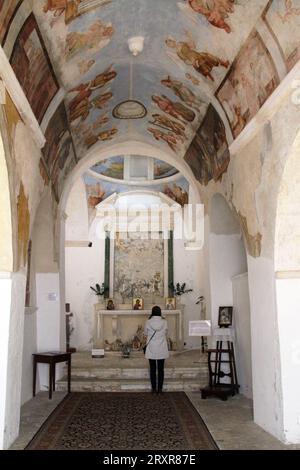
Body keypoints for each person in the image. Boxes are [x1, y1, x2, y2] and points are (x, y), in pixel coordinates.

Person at [144, 306, 169, 394]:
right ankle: (160, 389)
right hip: (161, 347)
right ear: (160, 312)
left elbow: (145, 333)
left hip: (151, 347)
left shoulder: (148, 322)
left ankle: (154, 389)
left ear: (152, 312)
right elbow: (166, 333)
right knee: (161, 369)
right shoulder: (164, 322)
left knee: (153, 369)